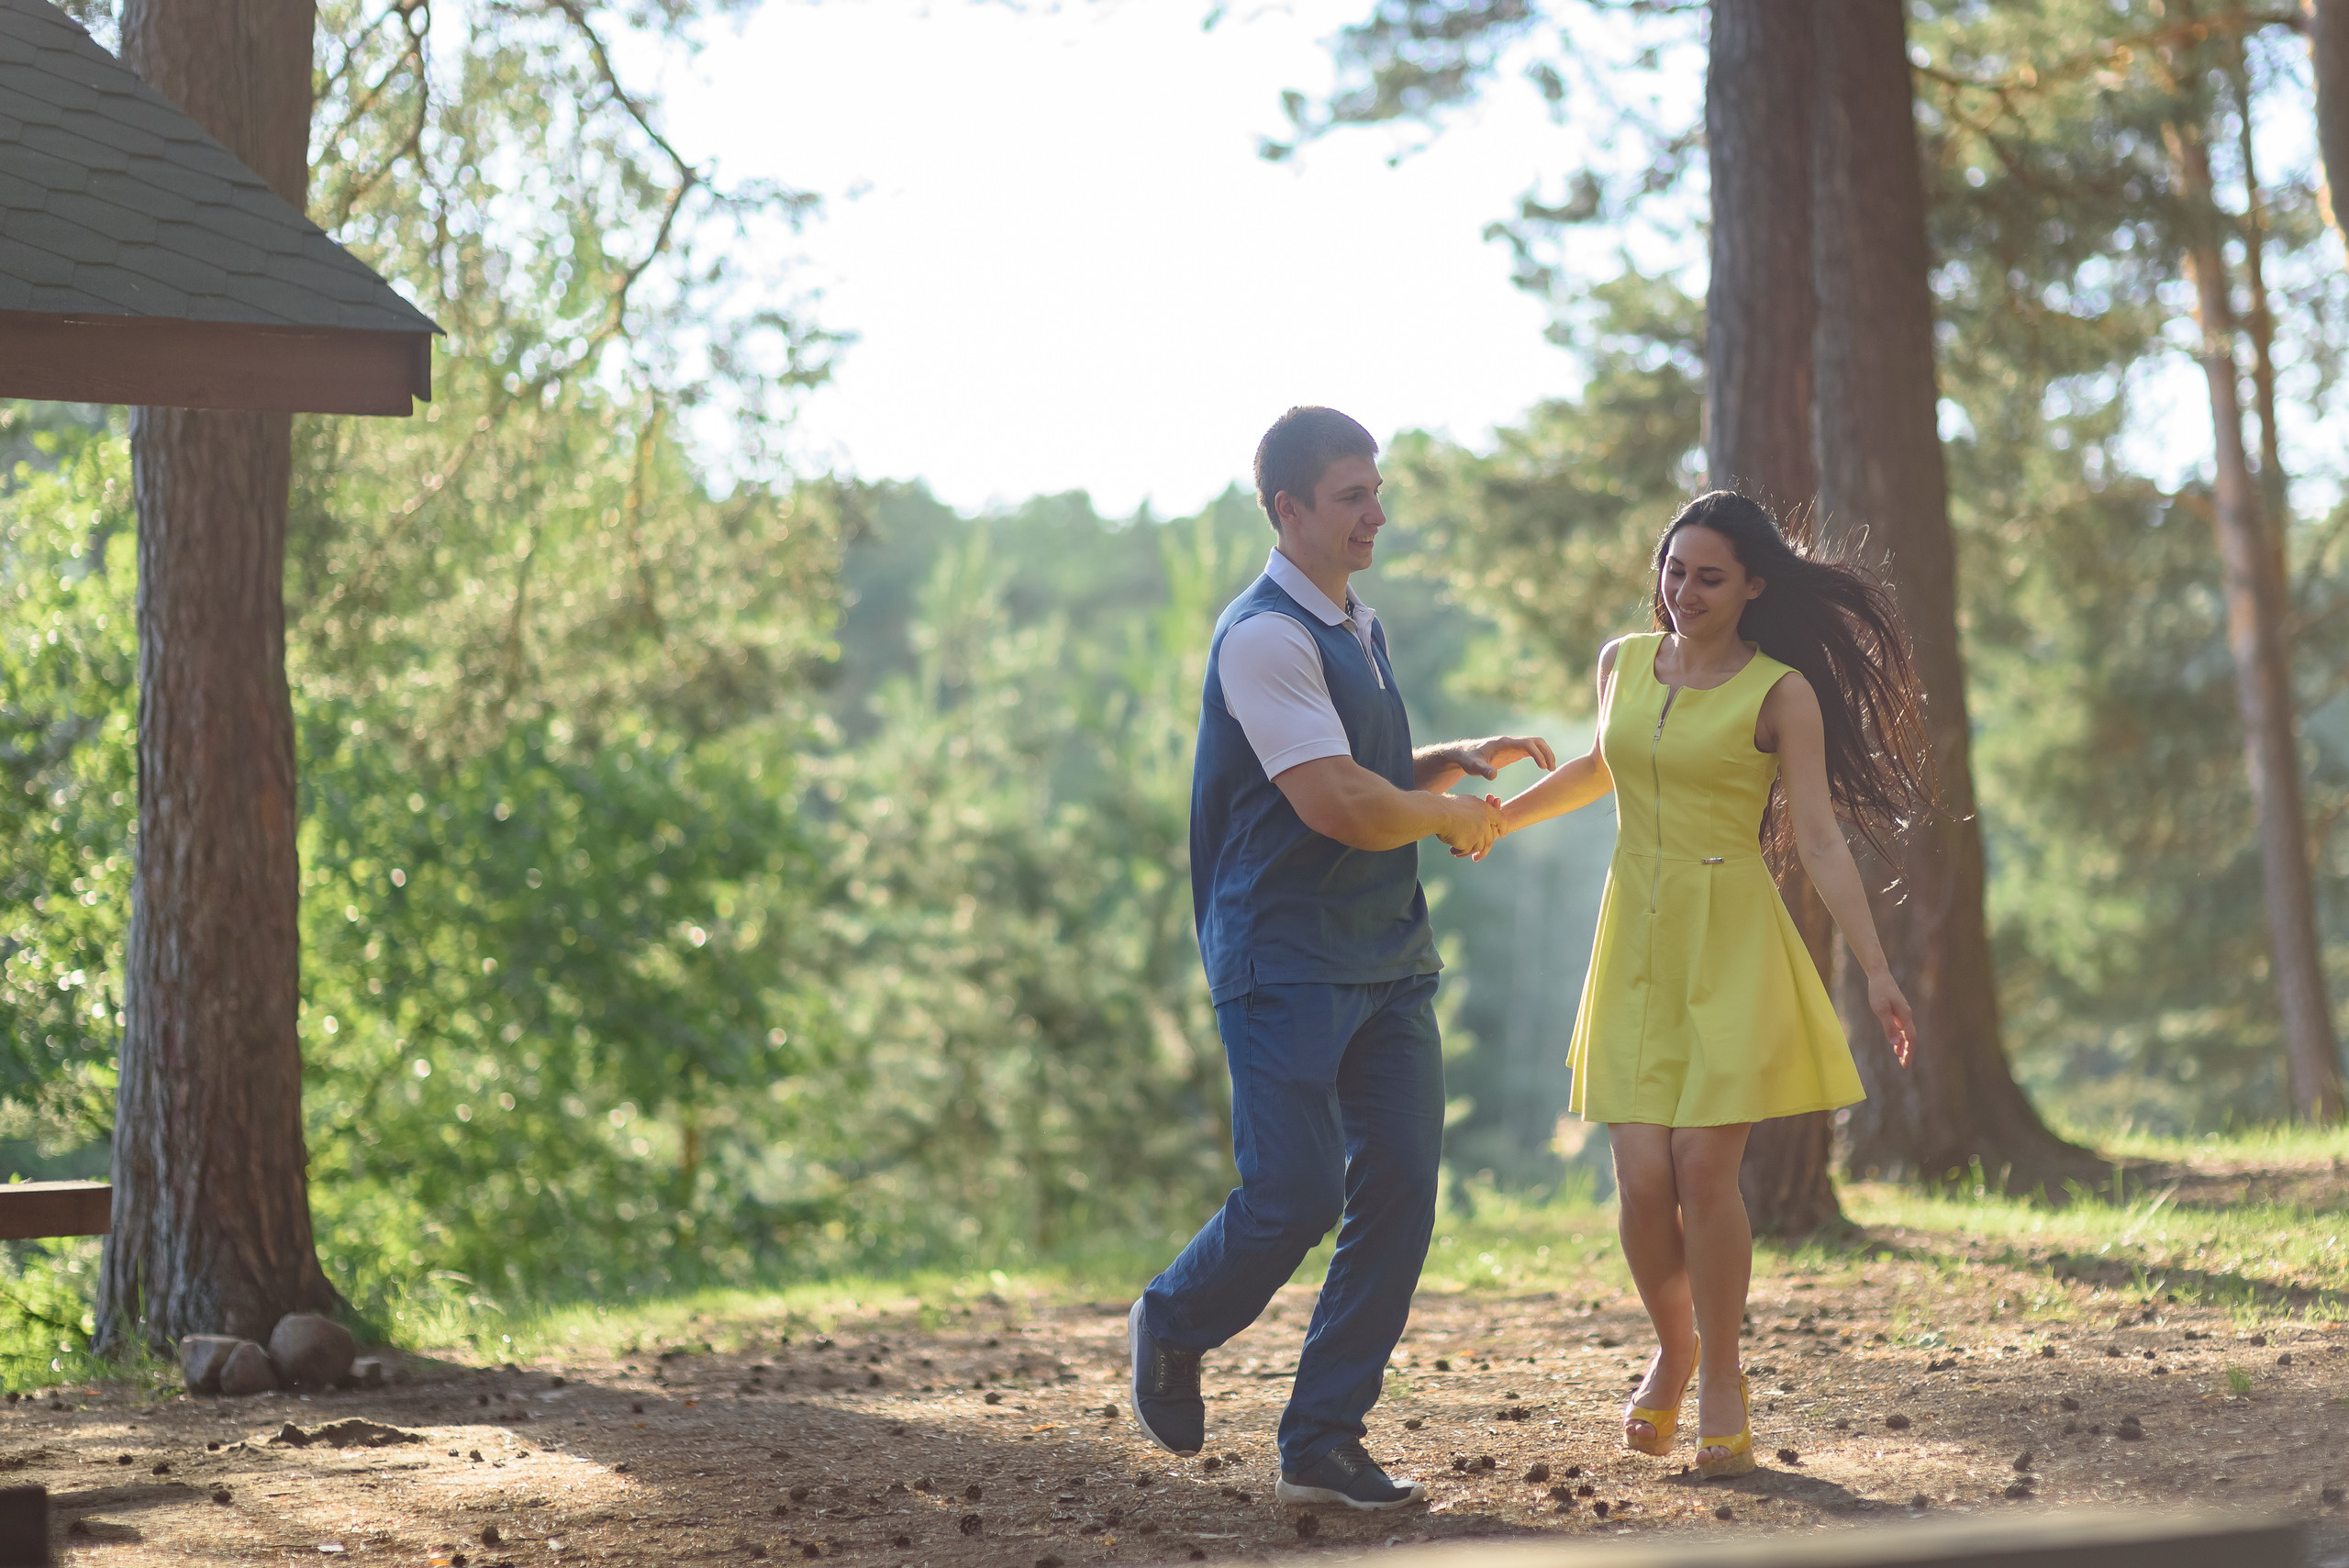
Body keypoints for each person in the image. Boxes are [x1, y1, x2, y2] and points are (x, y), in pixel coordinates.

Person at [1130, 406, 1553, 1509]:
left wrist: (1444, 764)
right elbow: (1334, 803)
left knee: (1401, 1185)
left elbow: (1352, 762)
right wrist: (1445, 819)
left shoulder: (1355, 622)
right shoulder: (1264, 633)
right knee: (1297, 1188)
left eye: (1377, 488)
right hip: (1284, 955)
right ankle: (1172, 1317)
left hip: (1384, 954)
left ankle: (1321, 1441)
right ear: (1287, 509)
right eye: (1351, 494)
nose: (1377, 511)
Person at [1489, 490, 1927, 1479]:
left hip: (1729, 935)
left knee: (1700, 1169)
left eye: (1708, 575)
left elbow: (1815, 835)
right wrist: (1495, 821)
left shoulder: (1779, 692)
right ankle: (1673, 1344)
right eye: (1673, 570)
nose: (1682, 590)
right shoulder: (1621, 662)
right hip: (1633, 932)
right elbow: (1597, 767)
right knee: (1639, 1177)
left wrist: (1877, 967)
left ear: (1754, 586)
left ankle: (1720, 1370)